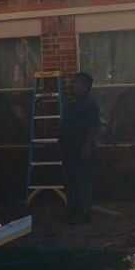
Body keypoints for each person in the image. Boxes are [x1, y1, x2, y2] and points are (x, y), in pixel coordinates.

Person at [60, 72, 100, 223]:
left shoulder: (90, 105)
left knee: (83, 181)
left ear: (86, 87)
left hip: (82, 149)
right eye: (73, 83)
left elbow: (93, 127)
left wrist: (88, 146)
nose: (74, 86)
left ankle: (84, 214)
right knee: (70, 182)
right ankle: (72, 211)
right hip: (69, 149)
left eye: (77, 83)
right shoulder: (71, 104)